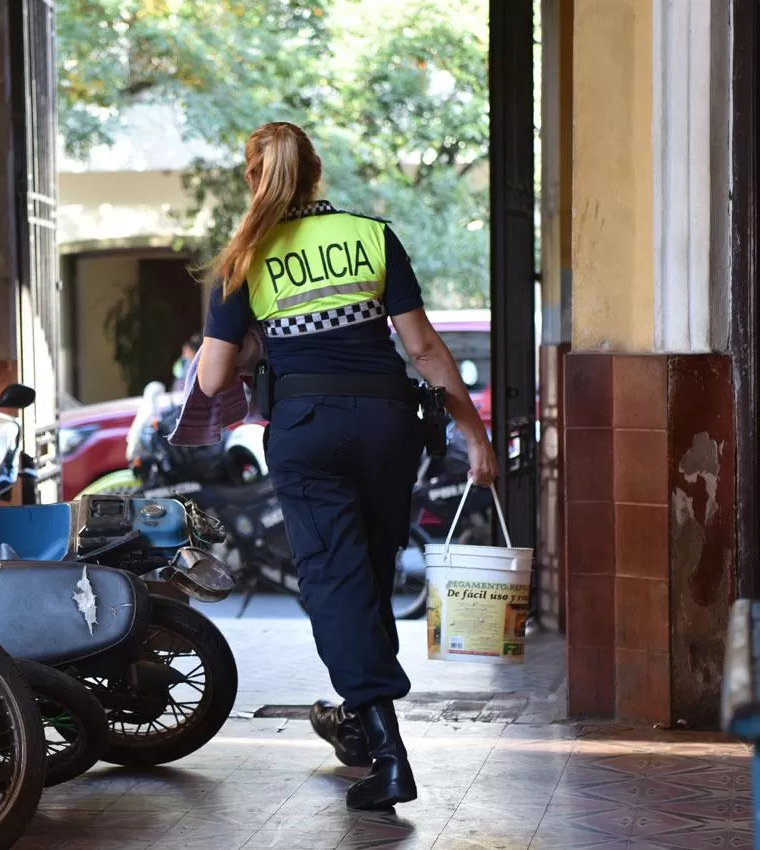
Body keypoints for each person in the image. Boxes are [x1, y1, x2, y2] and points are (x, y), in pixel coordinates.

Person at [193, 121, 497, 811]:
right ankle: (361, 726)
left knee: (335, 583)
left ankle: (391, 757)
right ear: (317, 173)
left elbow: (213, 379)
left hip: (307, 429)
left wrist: (254, 348)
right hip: (389, 424)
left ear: (253, 179)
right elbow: (422, 349)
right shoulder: (370, 235)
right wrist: (474, 436)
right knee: (372, 571)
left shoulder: (246, 257)